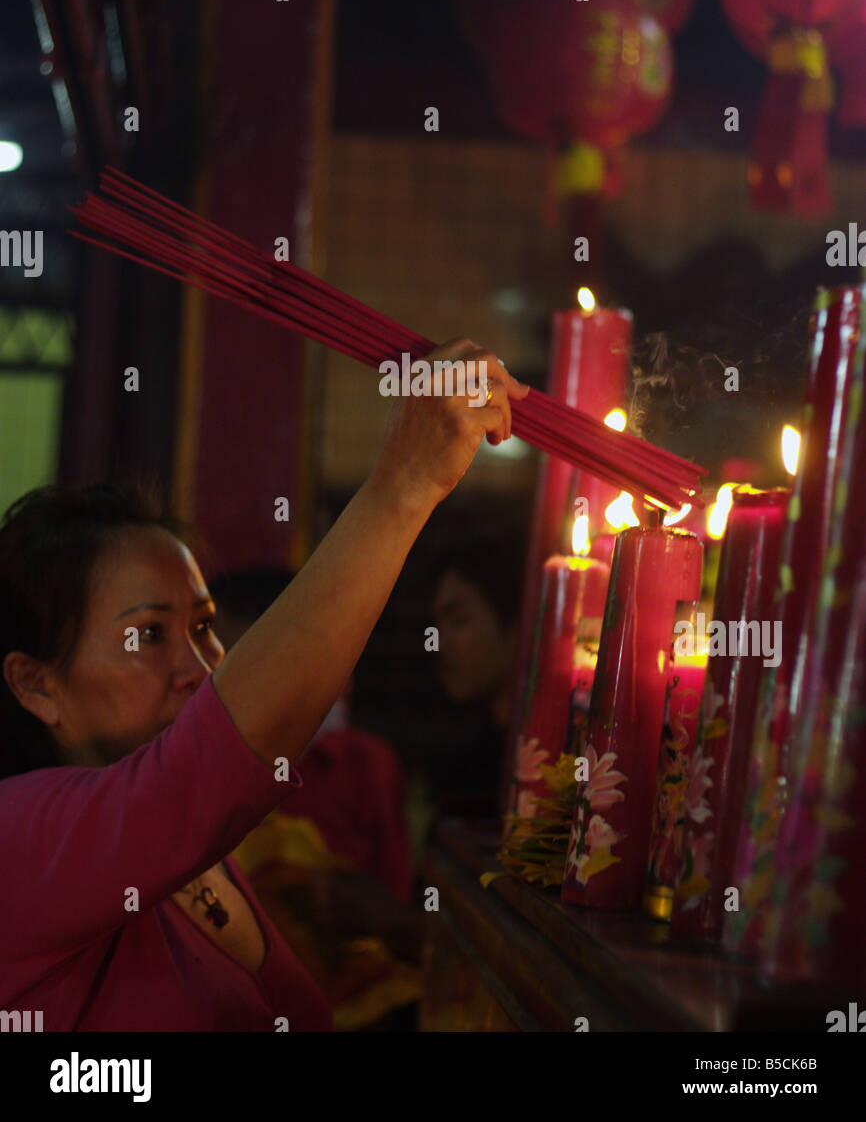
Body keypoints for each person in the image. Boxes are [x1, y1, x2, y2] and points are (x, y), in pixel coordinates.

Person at [0, 339, 528, 1031]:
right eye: (150, 635)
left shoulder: (198, 859)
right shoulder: (17, 835)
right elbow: (209, 764)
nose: (200, 665)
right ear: (37, 685)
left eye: (205, 626)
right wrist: (402, 484)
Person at [210, 567, 422, 1030]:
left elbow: (393, 901)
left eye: (231, 661)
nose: (211, 679)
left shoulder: (363, 763)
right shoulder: (199, 766)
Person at [425, 534, 524, 820]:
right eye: (437, 624)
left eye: (458, 621)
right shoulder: (464, 759)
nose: (439, 643)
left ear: (516, 624)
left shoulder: (534, 758)